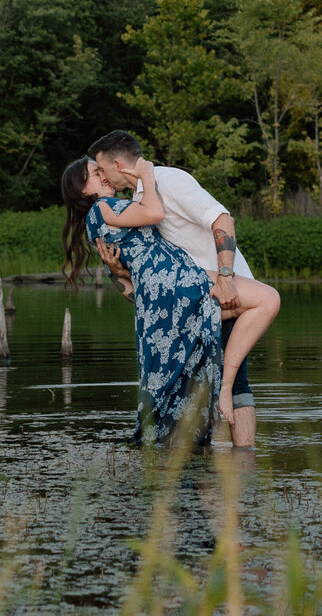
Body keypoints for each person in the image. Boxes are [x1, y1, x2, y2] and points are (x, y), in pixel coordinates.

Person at [87, 130, 280, 448]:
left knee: (234, 383)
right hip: (193, 299)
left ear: (117, 164)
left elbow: (222, 219)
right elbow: (151, 284)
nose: (102, 177)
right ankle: (210, 468)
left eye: (100, 169)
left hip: (223, 290)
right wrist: (117, 271)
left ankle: (242, 461)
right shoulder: (138, 201)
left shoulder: (168, 181)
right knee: (200, 388)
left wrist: (226, 277)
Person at [60, 154, 221, 447]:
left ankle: (165, 442)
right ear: (84, 189)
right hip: (174, 285)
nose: (105, 177)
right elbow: (154, 214)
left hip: (152, 299)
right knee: (188, 365)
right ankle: (190, 439)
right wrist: (147, 174)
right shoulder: (103, 206)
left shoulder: (93, 224)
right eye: (97, 174)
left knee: (165, 372)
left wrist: (121, 273)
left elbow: (125, 286)